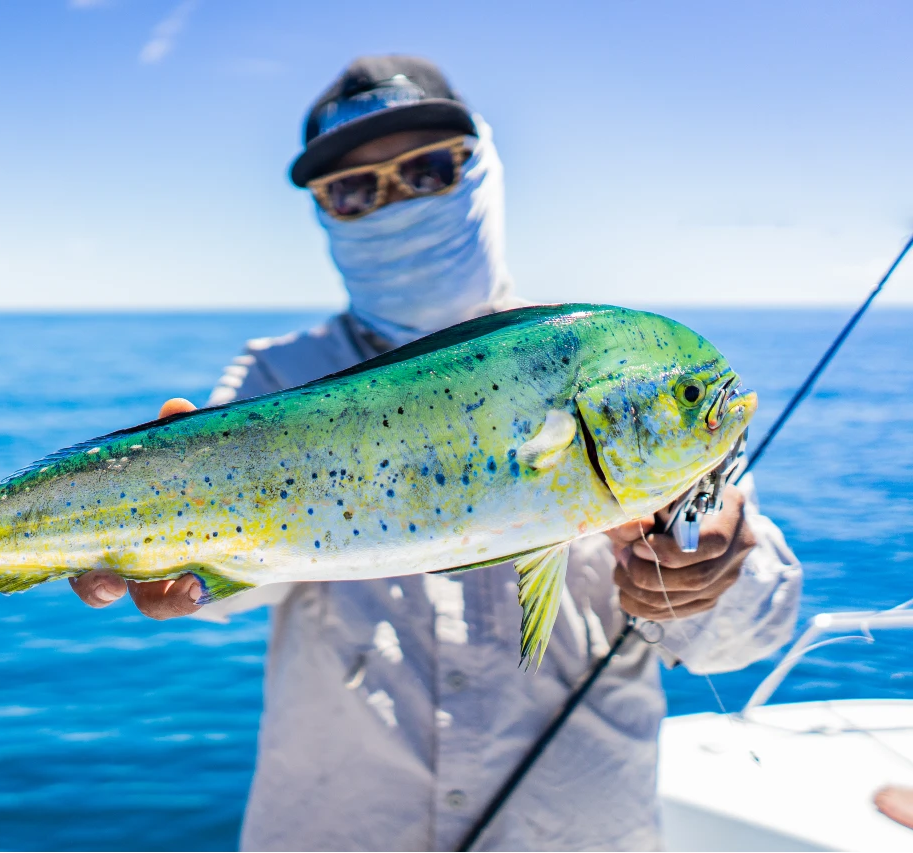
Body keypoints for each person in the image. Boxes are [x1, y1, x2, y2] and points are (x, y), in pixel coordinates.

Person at [71, 56, 803, 852]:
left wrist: (709, 569)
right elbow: (238, 585)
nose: (394, 202)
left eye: (425, 169)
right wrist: (179, 567)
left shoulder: (607, 370)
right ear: (322, 213)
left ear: (479, 170)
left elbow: (746, 637)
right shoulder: (275, 378)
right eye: (353, 191)